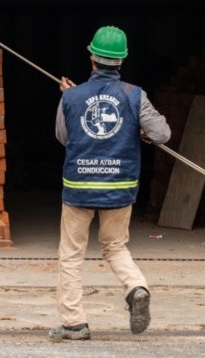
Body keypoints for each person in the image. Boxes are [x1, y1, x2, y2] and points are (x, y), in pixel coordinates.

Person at [49, 26, 171, 340]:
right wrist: (139, 131)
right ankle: (136, 287)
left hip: (78, 188)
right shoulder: (134, 95)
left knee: (72, 255)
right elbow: (162, 134)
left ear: (92, 58)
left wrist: (68, 101)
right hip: (119, 187)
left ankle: (74, 322)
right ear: (122, 61)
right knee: (115, 246)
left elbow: (64, 138)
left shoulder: (72, 97)